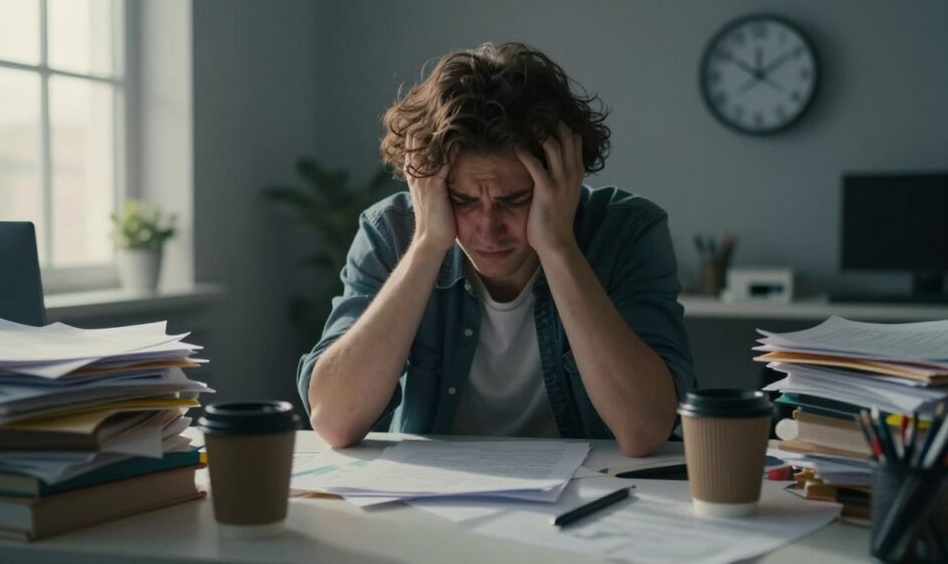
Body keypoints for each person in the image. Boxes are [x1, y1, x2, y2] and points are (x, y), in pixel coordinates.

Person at [297, 42, 694, 457]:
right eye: (464, 200)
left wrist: (558, 247)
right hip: (435, 501)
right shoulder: (391, 231)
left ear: (565, 181)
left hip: (593, 495)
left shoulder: (627, 232)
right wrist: (427, 246)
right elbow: (334, 420)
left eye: (514, 199)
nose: (488, 229)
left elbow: (645, 429)